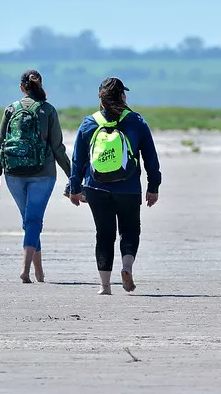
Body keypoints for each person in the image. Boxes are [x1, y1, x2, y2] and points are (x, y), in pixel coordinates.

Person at [67, 77, 161, 296]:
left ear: (100, 98)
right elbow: (151, 157)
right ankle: (127, 267)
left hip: (96, 187)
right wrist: (153, 186)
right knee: (130, 230)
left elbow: (78, 159)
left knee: (104, 234)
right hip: (128, 188)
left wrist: (74, 188)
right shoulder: (136, 121)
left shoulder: (89, 122)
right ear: (123, 96)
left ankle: (105, 286)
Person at [0, 69, 71, 284]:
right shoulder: (47, 110)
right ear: (40, 85)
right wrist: (72, 175)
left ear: (21, 87)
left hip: (13, 173)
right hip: (43, 173)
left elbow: (0, 146)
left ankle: (39, 272)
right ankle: (25, 270)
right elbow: (58, 148)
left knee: (30, 221)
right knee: (33, 220)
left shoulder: (10, 109)